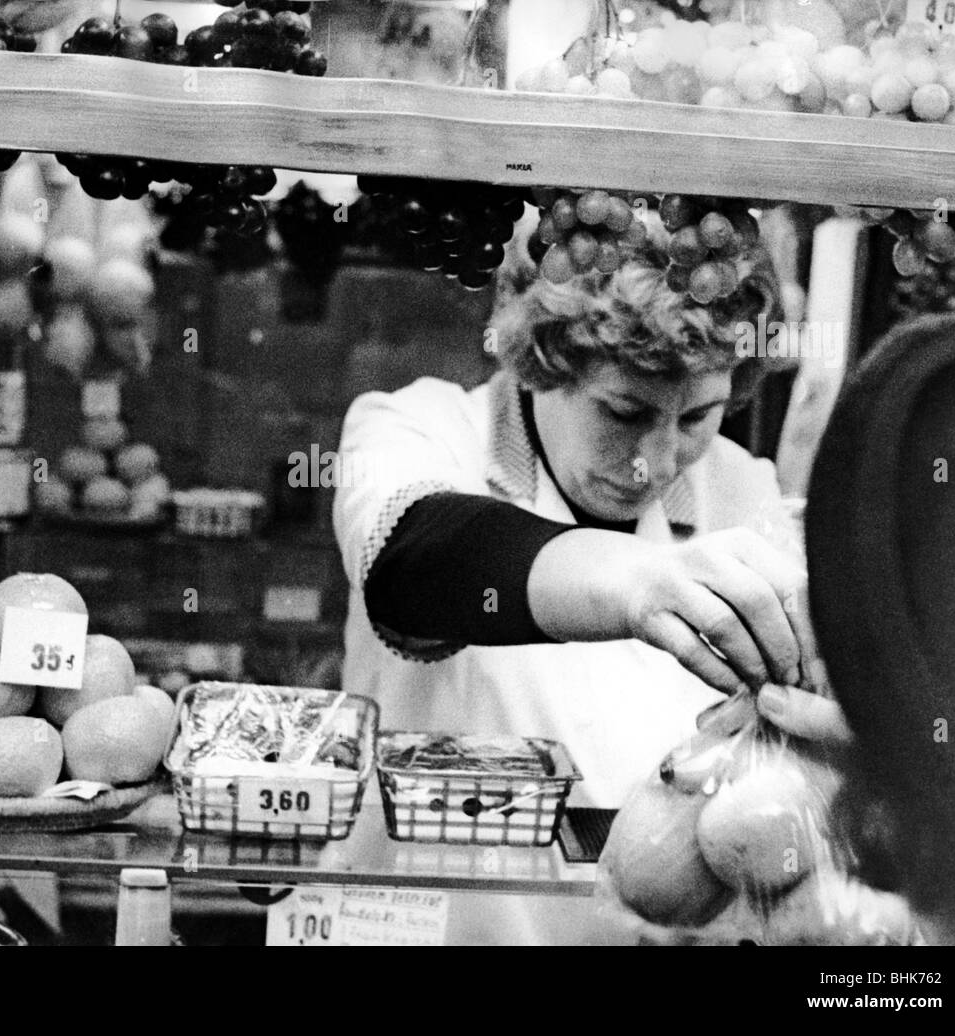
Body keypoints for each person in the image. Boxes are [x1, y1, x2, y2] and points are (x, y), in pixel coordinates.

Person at [332, 215, 825, 943]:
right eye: (624, 412)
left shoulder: (741, 491)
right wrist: (639, 584)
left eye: (697, 418)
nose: (653, 464)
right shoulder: (418, 428)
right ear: (544, 363)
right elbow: (413, 559)